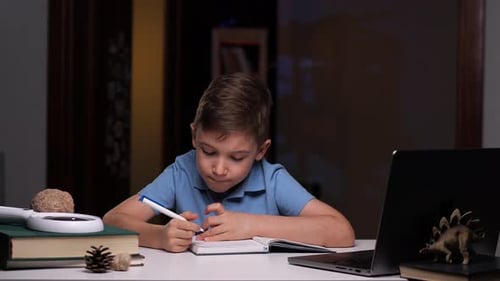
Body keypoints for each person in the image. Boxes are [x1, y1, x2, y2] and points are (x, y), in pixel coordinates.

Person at [103, 72, 355, 253]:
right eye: (209, 151)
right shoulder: (181, 172)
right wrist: (159, 236)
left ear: (261, 150)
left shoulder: (272, 180)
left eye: (236, 157)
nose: (219, 169)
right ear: (194, 136)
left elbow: (341, 232)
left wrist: (250, 225)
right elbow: (113, 221)